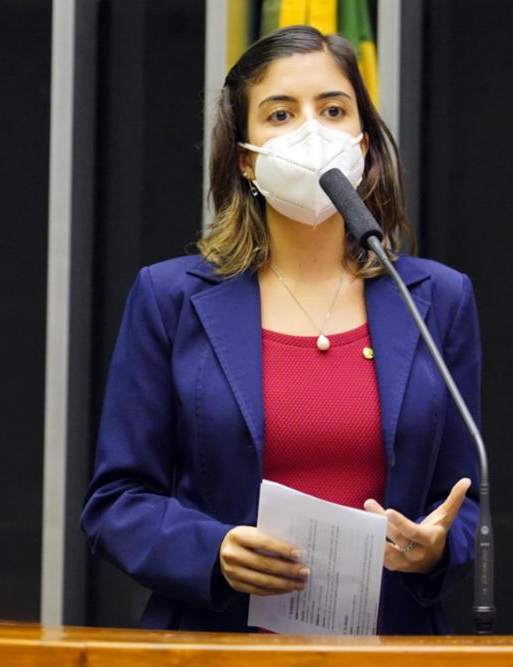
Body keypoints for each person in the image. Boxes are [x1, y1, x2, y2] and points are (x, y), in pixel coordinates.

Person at [81, 24, 482, 635]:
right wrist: (212, 550)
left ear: (365, 142)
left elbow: (465, 499)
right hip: (217, 643)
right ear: (247, 158)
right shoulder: (171, 298)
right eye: (280, 114)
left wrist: (434, 550)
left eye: (332, 109)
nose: (312, 132)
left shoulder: (437, 298)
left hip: (392, 642)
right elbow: (115, 502)